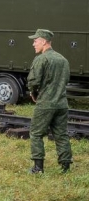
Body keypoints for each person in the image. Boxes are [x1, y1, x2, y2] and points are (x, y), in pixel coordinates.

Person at [27, 29, 72, 174]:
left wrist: (33, 93)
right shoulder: (63, 60)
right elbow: (66, 80)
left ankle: (38, 168)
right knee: (61, 135)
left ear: (44, 41)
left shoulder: (41, 59)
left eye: (35, 40)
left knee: (36, 133)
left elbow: (34, 81)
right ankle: (65, 166)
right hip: (62, 104)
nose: (33, 44)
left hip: (46, 104)